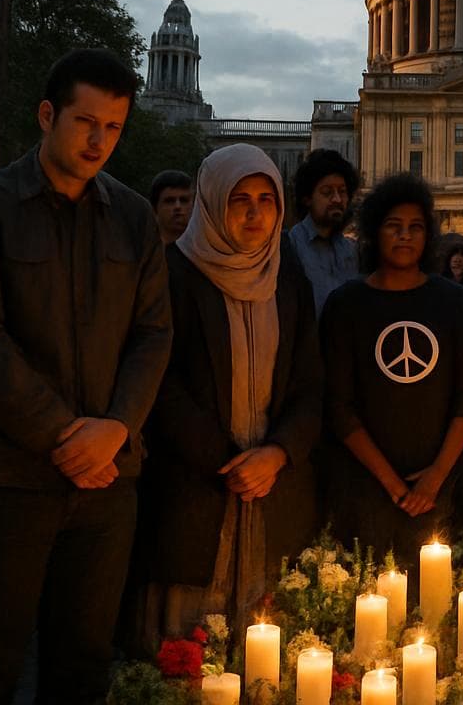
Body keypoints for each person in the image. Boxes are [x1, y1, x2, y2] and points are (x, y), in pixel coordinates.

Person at [0, 49, 172, 705]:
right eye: (85, 122)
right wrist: (70, 435)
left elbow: (154, 335)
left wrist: (117, 428)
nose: (100, 141)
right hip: (5, 479)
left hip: (107, 486)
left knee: (83, 667)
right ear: (47, 115)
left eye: (115, 127)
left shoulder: (133, 218)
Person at [139, 145, 321, 643]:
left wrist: (278, 454)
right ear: (213, 202)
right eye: (240, 199)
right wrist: (232, 462)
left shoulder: (288, 277)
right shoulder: (171, 274)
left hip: (274, 488)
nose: (255, 212)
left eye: (267, 198)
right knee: (191, 650)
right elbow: (159, 380)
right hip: (196, 488)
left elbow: (310, 381)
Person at [321, 174, 463, 567]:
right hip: (364, 484)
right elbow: (339, 406)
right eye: (394, 226)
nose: (405, 236)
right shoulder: (345, 304)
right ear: (374, 233)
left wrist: (435, 478)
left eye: (415, 227)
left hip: (438, 483)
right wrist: (393, 484)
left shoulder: (455, 301)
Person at [287, 149, 361, 318]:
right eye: (327, 192)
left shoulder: (352, 250)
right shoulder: (290, 247)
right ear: (307, 198)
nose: (337, 199)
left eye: (342, 192)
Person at [148, 170, 194, 245]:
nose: (177, 206)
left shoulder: (204, 252)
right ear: (154, 208)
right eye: (169, 201)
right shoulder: (140, 251)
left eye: (184, 200)